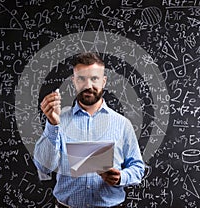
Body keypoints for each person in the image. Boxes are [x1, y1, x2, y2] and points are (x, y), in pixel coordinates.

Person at [34, 52, 145, 208]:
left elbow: (138, 169)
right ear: (73, 81)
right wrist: (53, 124)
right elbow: (44, 167)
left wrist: (121, 177)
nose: (88, 85)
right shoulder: (58, 120)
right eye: (81, 79)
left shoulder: (122, 124)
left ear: (104, 81)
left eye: (94, 79)